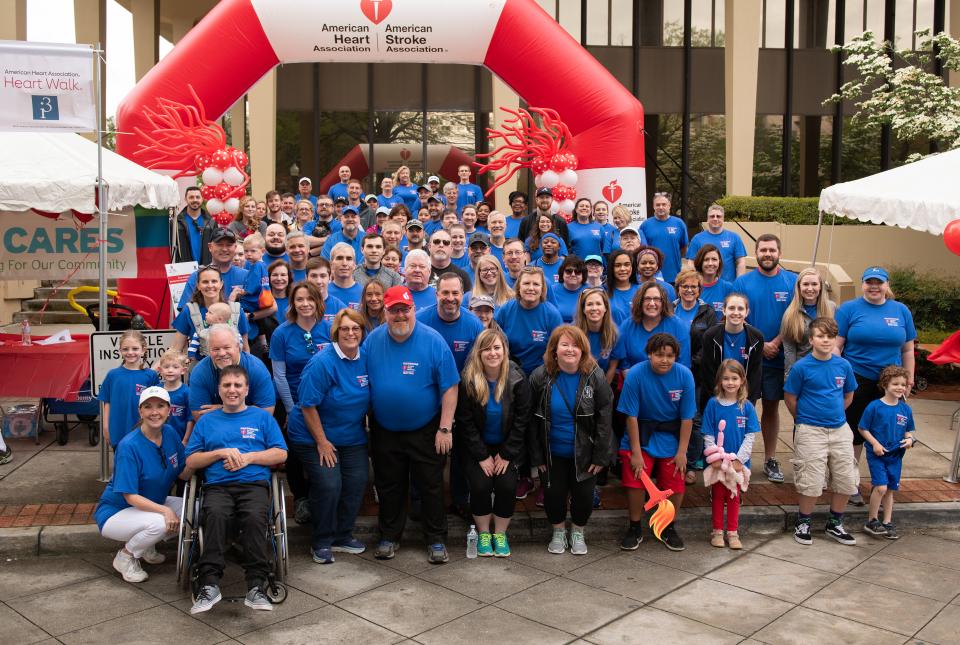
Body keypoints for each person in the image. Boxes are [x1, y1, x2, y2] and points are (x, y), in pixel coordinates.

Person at [366, 286, 460, 564]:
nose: (399, 315)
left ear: (413, 310)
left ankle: (436, 540)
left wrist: (445, 427)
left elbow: (450, 387)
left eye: (404, 309)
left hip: (426, 428)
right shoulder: (372, 341)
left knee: (430, 486)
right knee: (388, 485)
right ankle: (389, 537)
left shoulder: (433, 341)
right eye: (393, 310)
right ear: (384, 312)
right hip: (385, 429)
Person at [186, 366, 288, 614]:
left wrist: (249, 457)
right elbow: (191, 461)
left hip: (253, 484)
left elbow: (281, 453)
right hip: (218, 486)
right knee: (215, 515)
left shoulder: (262, 418)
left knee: (255, 518)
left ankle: (256, 586)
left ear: (246, 389)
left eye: (237, 385)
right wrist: (220, 453)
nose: (232, 390)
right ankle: (209, 585)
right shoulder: (207, 421)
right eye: (227, 385)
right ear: (219, 390)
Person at [288, 309, 370, 563]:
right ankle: (321, 540)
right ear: (336, 332)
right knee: (329, 483)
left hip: (351, 435)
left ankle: (342, 536)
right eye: (345, 329)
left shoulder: (365, 357)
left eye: (355, 328)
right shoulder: (322, 363)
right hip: (312, 436)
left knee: (356, 482)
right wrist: (322, 443)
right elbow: (308, 405)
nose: (350, 333)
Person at [835, 266, 916, 505]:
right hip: (858, 377)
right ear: (862, 285)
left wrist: (909, 378)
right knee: (855, 432)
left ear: (886, 285)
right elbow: (838, 346)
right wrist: (842, 377)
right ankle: (850, 483)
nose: (874, 287)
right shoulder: (849, 309)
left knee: (888, 431)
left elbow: (908, 349)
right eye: (869, 282)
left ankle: (882, 482)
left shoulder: (900, 310)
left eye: (878, 282)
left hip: (891, 382)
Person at [529, 325, 613, 555]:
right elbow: (530, 420)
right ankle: (557, 531)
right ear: (554, 350)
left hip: (585, 453)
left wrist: (601, 454)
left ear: (583, 350)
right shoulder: (540, 376)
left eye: (575, 345)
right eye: (564, 344)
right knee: (553, 496)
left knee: (584, 497)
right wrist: (536, 456)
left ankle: (577, 531)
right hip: (551, 452)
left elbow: (605, 415)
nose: (570, 349)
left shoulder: (594, 375)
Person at [96, 386, 192, 583]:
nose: (154, 412)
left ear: (169, 410)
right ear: (140, 411)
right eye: (148, 407)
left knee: (194, 510)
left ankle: (147, 545)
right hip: (116, 511)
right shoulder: (129, 446)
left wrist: (208, 460)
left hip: (151, 504)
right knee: (160, 523)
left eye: (160, 406)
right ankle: (126, 556)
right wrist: (165, 511)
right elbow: (130, 496)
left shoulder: (170, 433)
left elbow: (183, 470)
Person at [455, 329, 532, 557]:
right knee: (480, 486)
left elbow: (522, 420)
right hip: (477, 447)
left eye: (497, 348)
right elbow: (465, 422)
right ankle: (483, 534)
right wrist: (481, 455)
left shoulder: (518, 378)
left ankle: (500, 534)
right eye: (487, 349)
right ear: (479, 353)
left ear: (505, 351)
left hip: (508, 447)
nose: (492, 353)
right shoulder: (468, 380)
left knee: (507, 487)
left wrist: (507, 453)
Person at [784, 317, 859, 547]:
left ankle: (835, 523)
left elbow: (848, 395)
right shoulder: (801, 367)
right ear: (811, 339)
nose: (825, 340)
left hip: (839, 429)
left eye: (829, 336)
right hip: (810, 430)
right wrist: (805, 419)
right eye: (820, 336)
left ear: (835, 339)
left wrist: (834, 414)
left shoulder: (843, 366)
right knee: (811, 480)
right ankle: (803, 522)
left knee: (846, 478)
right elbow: (790, 398)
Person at [618, 333, 695, 551]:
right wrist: (635, 452)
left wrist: (682, 452)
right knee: (636, 476)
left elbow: (687, 418)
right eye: (659, 355)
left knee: (676, 479)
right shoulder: (635, 374)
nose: (665, 360)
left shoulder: (685, 375)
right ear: (650, 354)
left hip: (671, 436)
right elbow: (630, 416)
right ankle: (634, 527)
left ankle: (667, 526)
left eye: (670, 356)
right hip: (641, 435)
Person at [732, 234, 797, 484]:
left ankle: (770, 458)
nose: (767, 254)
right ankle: (734, 457)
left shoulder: (792, 281)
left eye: (772, 250)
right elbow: (737, 316)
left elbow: (793, 317)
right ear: (756, 253)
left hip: (777, 357)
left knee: (770, 407)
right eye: (763, 250)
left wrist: (776, 343)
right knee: (740, 408)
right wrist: (761, 345)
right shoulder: (743, 282)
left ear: (779, 252)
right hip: (746, 359)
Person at [269, 282, 331, 523]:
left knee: (323, 451)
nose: (305, 304)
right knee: (294, 453)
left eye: (309, 299)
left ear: (318, 301)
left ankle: (320, 498)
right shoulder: (282, 333)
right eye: (299, 299)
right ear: (292, 304)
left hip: (325, 405)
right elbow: (279, 375)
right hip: (293, 402)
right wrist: (292, 408)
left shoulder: (329, 329)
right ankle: (302, 498)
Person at [702, 360, 759, 550]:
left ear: (742, 380)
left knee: (734, 496)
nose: (730, 382)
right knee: (718, 496)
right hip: (718, 462)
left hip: (737, 465)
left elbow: (750, 437)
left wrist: (739, 460)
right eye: (726, 378)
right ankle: (717, 531)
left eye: (734, 378)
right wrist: (715, 458)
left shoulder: (747, 407)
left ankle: (733, 532)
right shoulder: (713, 404)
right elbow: (708, 434)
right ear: (719, 381)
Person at [859, 365, 916, 540]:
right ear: (885, 385)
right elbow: (863, 428)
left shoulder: (905, 409)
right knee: (881, 487)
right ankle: (872, 520)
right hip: (878, 454)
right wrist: (875, 444)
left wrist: (910, 440)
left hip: (896, 455)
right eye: (895, 384)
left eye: (903, 384)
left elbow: (909, 431)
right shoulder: (875, 407)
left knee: (890, 489)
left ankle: (887, 521)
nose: (900, 387)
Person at [188, 325, 276, 420]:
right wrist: (248, 411)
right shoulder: (200, 372)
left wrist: (223, 409)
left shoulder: (256, 369)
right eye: (216, 349)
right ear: (209, 350)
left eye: (227, 347)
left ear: (238, 347)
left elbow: (266, 414)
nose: (222, 353)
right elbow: (200, 417)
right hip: (215, 432)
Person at [699, 293, 764, 410]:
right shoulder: (710, 336)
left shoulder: (756, 337)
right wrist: (719, 400)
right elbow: (707, 373)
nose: (736, 312)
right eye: (731, 308)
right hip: (715, 398)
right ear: (724, 310)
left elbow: (755, 375)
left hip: (743, 399)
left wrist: (746, 402)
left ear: (747, 312)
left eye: (740, 309)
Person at [495, 267, 564, 375]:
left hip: (541, 375)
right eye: (526, 283)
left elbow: (558, 351)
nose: (531, 288)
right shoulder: (506, 310)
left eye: (536, 284)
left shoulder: (552, 315)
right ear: (518, 287)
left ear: (542, 289)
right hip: (510, 373)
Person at [98, 330, 161, 448]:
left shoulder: (150, 375)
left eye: (135, 349)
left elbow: (156, 405)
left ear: (143, 350)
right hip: (118, 430)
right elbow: (107, 402)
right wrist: (106, 427)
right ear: (120, 351)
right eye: (126, 349)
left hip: (143, 430)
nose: (130, 352)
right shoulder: (113, 375)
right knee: (122, 463)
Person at [170, 265, 249, 355]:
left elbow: (245, 349)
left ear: (221, 284)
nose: (210, 285)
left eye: (214, 281)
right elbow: (175, 349)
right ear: (198, 286)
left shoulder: (236, 310)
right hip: (201, 365)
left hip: (231, 366)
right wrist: (154, 368)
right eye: (205, 282)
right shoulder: (189, 311)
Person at [612, 281, 690, 370]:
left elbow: (684, 364)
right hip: (636, 380)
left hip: (671, 381)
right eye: (647, 299)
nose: (652, 303)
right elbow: (622, 361)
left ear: (663, 302)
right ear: (640, 302)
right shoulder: (627, 326)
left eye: (657, 299)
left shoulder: (678, 326)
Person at [417, 273, 485, 373]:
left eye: (455, 293)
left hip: (463, 382)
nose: (450, 298)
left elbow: (480, 363)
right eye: (445, 293)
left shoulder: (474, 324)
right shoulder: (419, 320)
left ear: (462, 294)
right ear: (437, 295)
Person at [781, 267, 836, 376]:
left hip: (827, 370)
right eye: (805, 284)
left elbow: (837, 342)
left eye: (814, 284)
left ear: (820, 286)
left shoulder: (832, 308)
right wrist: (790, 377)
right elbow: (789, 351)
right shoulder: (790, 314)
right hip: (804, 372)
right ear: (799, 287)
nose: (810, 288)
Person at [177, 228, 250, 310]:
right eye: (219, 244)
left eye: (229, 245)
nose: (224, 249)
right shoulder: (197, 276)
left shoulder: (247, 276)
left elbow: (256, 308)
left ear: (235, 247)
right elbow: (184, 311)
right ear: (210, 247)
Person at [685, 204, 747, 282]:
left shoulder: (734, 238)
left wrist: (739, 283)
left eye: (718, 216)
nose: (715, 218)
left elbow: (740, 262)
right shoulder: (697, 239)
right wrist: (696, 282)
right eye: (712, 216)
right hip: (705, 287)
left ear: (723, 218)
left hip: (729, 286)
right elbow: (691, 263)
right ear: (707, 219)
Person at [673, 269, 715, 374]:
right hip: (671, 366)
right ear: (678, 288)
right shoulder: (669, 310)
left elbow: (710, 343)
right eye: (685, 286)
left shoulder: (708, 312)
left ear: (699, 290)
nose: (689, 290)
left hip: (698, 371)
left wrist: (693, 363)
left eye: (693, 286)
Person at [640, 192, 688, 283]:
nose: (661, 207)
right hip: (652, 277)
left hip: (674, 276)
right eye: (657, 205)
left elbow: (684, 248)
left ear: (669, 205)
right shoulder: (645, 225)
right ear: (653, 206)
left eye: (664, 204)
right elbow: (642, 250)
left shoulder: (679, 223)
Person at [574, 288, 619, 381]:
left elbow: (612, 368)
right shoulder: (572, 332)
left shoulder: (615, 334)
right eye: (589, 304)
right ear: (583, 309)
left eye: (598, 304)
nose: (594, 308)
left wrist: (602, 392)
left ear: (605, 308)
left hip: (602, 383)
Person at [156, 349, 192, 443]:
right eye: (166, 367)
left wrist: (185, 440)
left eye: (175, 367)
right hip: (158, 440)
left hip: (179, 440)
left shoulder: (187, 392)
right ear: (160, 370)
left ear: (183, 370)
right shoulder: (156, 391)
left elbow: (190, 419)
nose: (170, 370)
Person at [172, 185, 213, 264]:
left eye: (198, 197)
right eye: (191, 197)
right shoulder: (176, 222)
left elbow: (215, 246)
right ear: (185, 199)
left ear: (202, 199)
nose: (195, 200)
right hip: (184, 268)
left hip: (206, 268)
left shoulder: (211, 222)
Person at [693, 244, 732, 320]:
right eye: (706, 259)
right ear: (700, 262)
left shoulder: (728, 288)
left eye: (714, 259)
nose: (710, 263)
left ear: (719, 262)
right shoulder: (692, 287)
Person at [327, 242, 363, 311]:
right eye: (339, 258)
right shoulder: (323, 293)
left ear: (354, 265)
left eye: (349, 259)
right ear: (331, 264)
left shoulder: (364, 292)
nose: (344, 263)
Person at [606, 249, 639, 325]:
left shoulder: (641, 290)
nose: (622, 269)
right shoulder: (603, 291)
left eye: (627, 264)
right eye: (617, 265)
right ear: (611, 268)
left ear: (632, 267)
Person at [551, 255, 587, 323]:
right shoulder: (551, 291)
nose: (573, 274)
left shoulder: (589, 291)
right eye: (569, 271)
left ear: (583, 274)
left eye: (578, 271)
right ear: (562, 273)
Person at [266, 260, 291, 327]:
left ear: (289, 277)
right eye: (275, 275)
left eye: (283, 275)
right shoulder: (262, 301)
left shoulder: (295, 300)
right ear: (268, 278)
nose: (279, 278)